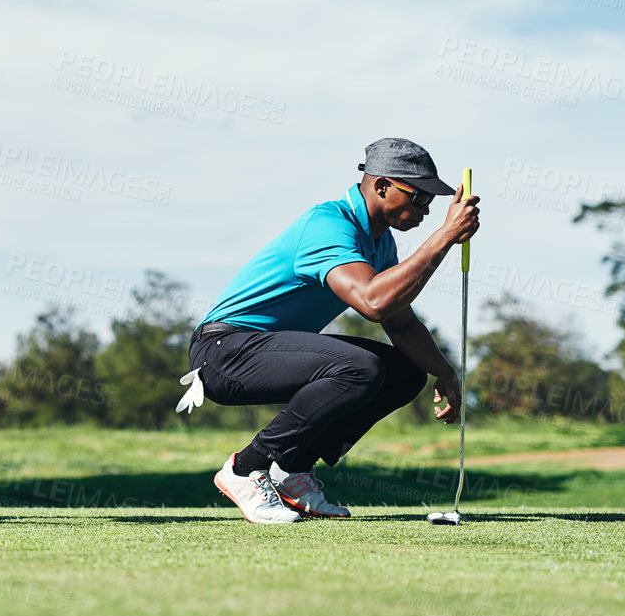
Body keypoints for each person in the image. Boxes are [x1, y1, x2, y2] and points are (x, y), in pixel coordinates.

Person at [181, 137, 479, 523]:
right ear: (381, 186)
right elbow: (373, 303)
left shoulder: (379, 243)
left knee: (405, 372)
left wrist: (444, 372)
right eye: (418, 197)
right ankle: (245, 468)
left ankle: (291, 469)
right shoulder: (329, 225)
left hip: (261, 350)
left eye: (431, 202)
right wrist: (444, 236)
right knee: (360, 368)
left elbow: (401, 324)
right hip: (223, 351)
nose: (425, 210)